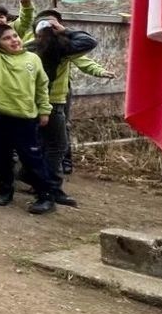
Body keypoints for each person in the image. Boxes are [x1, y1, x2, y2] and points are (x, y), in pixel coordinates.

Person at [0, 0, 64, 214]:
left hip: (24, 118)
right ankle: (5, 189)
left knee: (32, 157)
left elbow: (42, 87)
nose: (14, 40)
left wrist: (44, 110)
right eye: (7, 38)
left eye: (14, 36)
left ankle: (46, 196)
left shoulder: (32, 58)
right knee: (0, 157)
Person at [26, 11, 110, 206]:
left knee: (44, 146)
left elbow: (85, 57)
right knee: (57, 147)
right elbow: (89, 41)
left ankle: (40, 182)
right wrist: (65, 30)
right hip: (52, 103)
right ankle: (49, 189)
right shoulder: (63, 48)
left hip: (35, 103)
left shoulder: (30, 48)